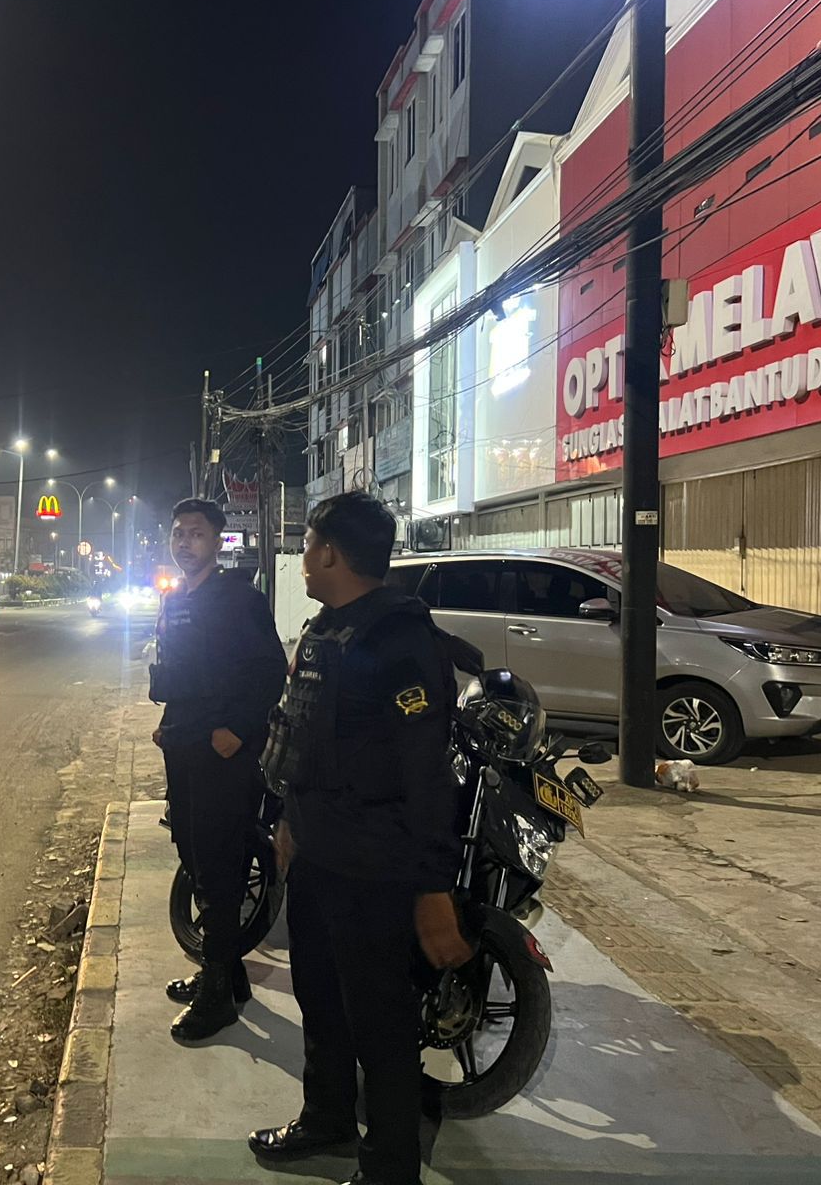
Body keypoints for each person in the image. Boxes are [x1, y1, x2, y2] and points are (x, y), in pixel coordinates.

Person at [250, 491, 472, 1185]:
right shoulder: (327, 628)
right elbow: (308, 738)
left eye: (309, 544)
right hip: (319, 853)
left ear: (329, 553)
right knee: (319, 998)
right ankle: (327, 1118)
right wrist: (291, 822)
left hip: (375, 866)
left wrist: (432, 888)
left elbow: (425, 775)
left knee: (379, 1022)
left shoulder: (398, 641)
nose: (303, 557)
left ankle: (390, 1168)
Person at [149, 497, 288, 1042]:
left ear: (217, 541)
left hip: (222, 753)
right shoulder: (176, 598)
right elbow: (178, 673)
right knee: (192, 852)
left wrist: (239, 730)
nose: (185, 542)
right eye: (178, 533)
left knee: (220, 864)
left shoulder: (238, 598)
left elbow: (269, 671)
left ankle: (218, 996)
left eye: (196, 533)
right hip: (183, 744)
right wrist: (168, 723)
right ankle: (226, 973)